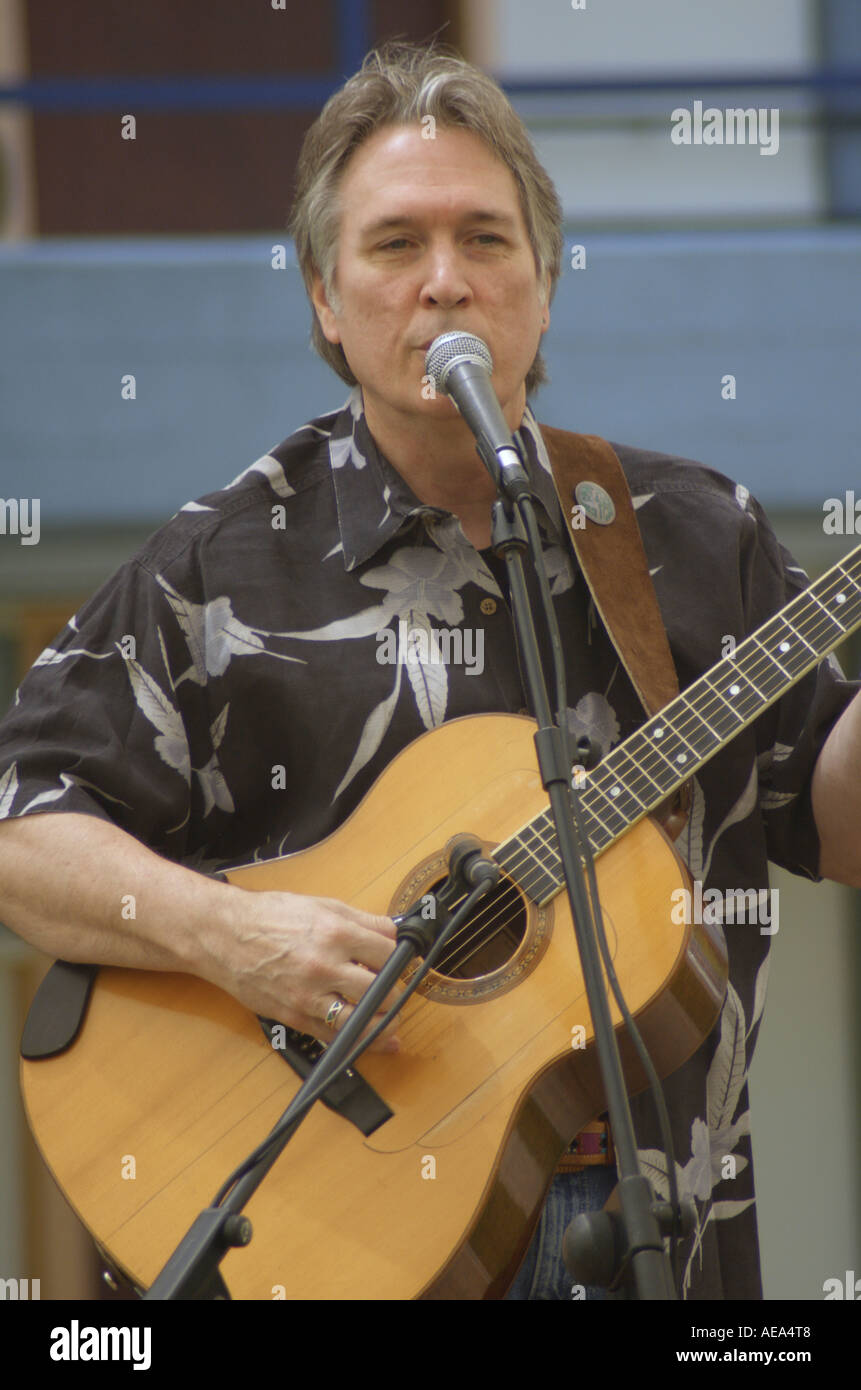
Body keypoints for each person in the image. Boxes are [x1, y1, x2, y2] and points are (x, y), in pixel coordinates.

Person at [0, 40, 859, 1301]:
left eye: (487, 241)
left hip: (651, 1236)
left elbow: (834, 819)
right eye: (396, 245)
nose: (445, 284)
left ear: (547, 284)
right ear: (325, 300)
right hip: (333, 1234)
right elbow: (21, 837)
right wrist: (237, 937)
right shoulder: (213, 565)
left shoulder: (689, 533)